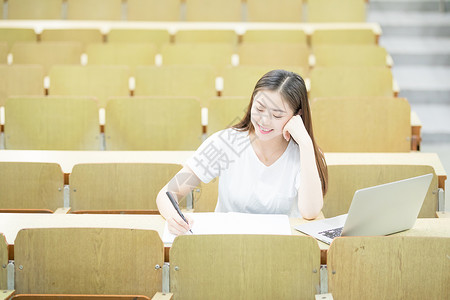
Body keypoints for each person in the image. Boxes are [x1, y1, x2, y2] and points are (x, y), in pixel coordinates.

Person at [156, 69, 328, 235]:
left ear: (296, 115)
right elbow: (168, 193)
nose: (264, 121)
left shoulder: (303, 153)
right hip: (228, 246)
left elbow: (310, 212)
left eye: (277, 115)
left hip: (280, 250)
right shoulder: (226, 143)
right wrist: (174, 218)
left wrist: (306, 144)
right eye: (259, 108)